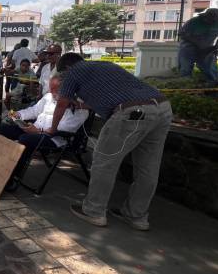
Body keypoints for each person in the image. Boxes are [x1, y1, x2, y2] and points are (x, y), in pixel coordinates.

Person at [50, 53, 172, 231]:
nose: (62, 78)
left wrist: (53, 129)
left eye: (62, 75)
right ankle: (137, 216)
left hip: (132, 113)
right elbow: (117, 95)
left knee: (103, 162)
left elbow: (61, 103)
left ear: (67, 68)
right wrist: (83, 105)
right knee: (148, 167)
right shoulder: (105, 65)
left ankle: (94, 211)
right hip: (162, 109)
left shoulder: (73, 72)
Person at [0, 73, 89, 188]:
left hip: (54, 138)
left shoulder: (80, 109)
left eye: (56, 90)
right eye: (51, 88)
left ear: (68, 90)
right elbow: (34, 110)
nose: (52, 92)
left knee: (25, 139)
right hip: (34, 129)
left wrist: (38, 131)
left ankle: (10, 178)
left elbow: (65, 129)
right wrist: (18, 114)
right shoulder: (49, 97)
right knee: (2, 129)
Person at [178, 8, 218, 83]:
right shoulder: (193, 21)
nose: (212, 22)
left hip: (207, 47)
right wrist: (197, 43)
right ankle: (184, 84)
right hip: (188, 47)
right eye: (210, 20)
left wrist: (216, 46)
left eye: (214, 20)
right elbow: (182, 34)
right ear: (205, 17)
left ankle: (213, 83)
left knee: (210, 67)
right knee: (185, 67)